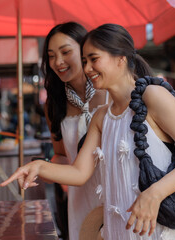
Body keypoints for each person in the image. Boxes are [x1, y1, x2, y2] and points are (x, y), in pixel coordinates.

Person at [1, 24, 175, 239]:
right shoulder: (102, 117)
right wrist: (38, 166)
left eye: (94, 59)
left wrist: (154, 193)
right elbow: (79, 173)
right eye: (84, 61)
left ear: (120, 58)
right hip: (121, 230)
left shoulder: (153, 96)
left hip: (160, 228)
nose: (87, 69)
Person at [41, 22, 108, 240]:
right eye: (51, 55)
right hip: (81, 200)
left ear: (84, 51)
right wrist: (45, 169)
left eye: (66, 52)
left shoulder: (109, 92)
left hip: (118, 195)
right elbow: (61, 155)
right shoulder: (54, 104)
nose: (58, 62)